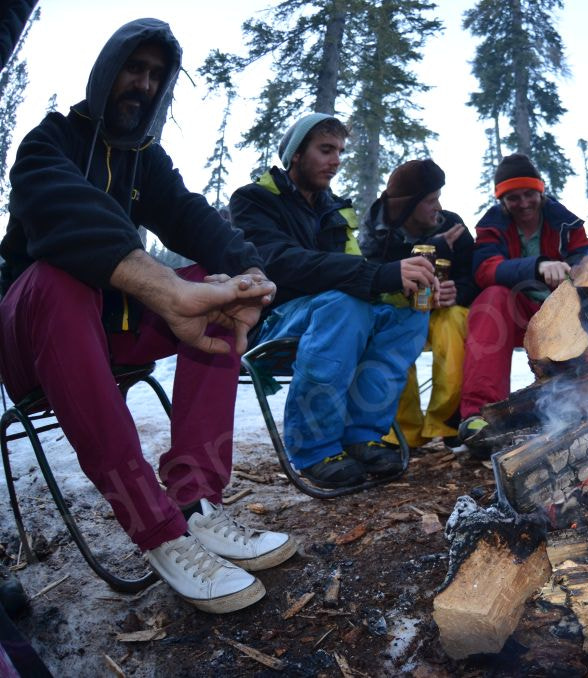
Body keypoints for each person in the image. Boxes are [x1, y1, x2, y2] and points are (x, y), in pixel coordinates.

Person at [0, 19, 295, 614]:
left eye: (156, 76)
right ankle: (156, 527)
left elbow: (193, 218)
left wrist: (249, 275)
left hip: (112, 333)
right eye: (134, 69)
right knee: (62, 278)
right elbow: (65, 210)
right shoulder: (48, 141)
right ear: (107, 71)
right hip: (31, 336)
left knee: (215, 294)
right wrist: (155, 281)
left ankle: (193, 502)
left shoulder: (146, 161)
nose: (143, 84)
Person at [230, 113, 435, 488]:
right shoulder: (254, 200)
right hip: (270, 318)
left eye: (340, 150)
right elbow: (279, 263)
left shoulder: (335, 210)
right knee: (342, 305)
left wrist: (402, 284)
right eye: (326, 149)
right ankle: (315, 448)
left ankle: (361, 435)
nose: (336, 159)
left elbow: (355, 270)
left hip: (331, 317)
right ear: (295, 154)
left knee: (410, 315)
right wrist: (381, 275)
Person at [458, 154, 588, 441]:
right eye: (513, 198)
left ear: (540, 191)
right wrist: (537, 266)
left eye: (529, 194)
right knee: (491, 298)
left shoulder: (565, 222)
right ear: (502, 201)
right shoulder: (491, 225)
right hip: (515, 312)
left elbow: (587, 259)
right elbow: (485, 269)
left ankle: (575, 408)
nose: (523, 204)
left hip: (557, 312)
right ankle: (480, 416)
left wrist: (574, 269)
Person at [359, 159, 477, 448]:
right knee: (391, 335)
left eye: (438, 198)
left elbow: (474, 275)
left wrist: (458, 292)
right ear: (406, 206)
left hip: (442, 313)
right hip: (398, 311)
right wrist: (431, 250)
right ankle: (402, 433)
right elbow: (369, 279)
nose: (438, 207)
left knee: (455, 325)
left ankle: (448, 423)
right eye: (430, 201)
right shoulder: (376, 233)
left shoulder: (453, 224)